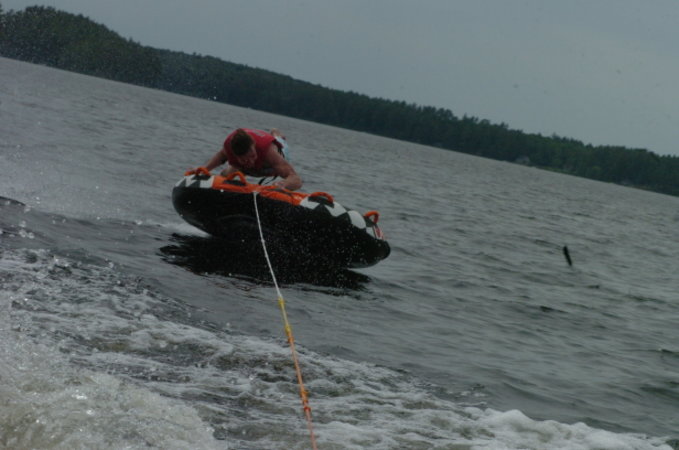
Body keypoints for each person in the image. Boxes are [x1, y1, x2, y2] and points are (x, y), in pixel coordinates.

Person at [199, 128, 303, 191]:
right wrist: (203, 170)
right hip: (245, 168)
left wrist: (282, 184)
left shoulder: (269, 153)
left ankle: (276, 134)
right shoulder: (228, 149)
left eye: (253, 156)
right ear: (235, 156)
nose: (251, 162)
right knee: (225, 174)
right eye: (245, 160)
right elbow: (216, 160)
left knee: (279, 140)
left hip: (272, 163)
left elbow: (297, 180)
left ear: (254, 145)